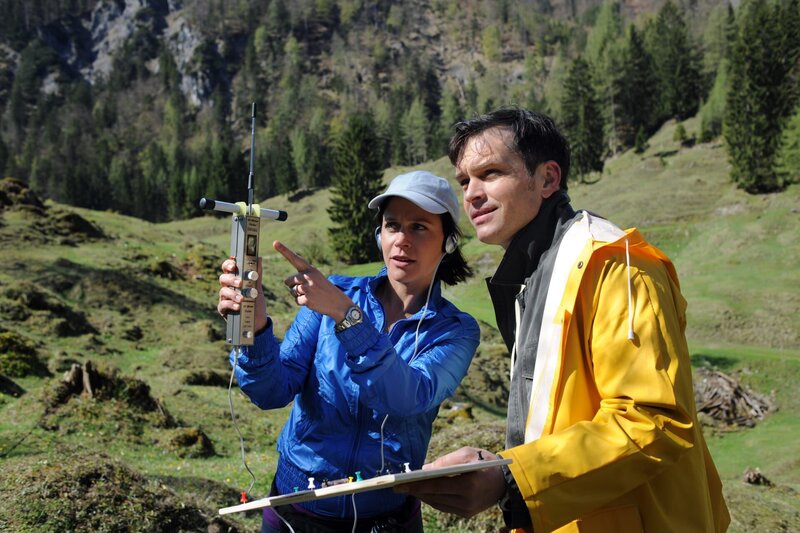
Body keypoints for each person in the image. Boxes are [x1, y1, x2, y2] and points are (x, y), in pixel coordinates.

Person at [397, 109, 730, 532]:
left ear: (548, 179)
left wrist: (512, 478)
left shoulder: (617, 267)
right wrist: (505, 470)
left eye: (491, 173)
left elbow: (652, 421)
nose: (472, 194)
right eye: (465, 181)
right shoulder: (532, 275)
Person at [217, 170, 480, 532]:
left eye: (419, 227)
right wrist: (256, 327)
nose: (402, 240)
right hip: (295, 511)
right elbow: (271, 391)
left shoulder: (455, 330)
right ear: (379, 235)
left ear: (447, 243)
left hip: (387, 520)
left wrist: (348, 316)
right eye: (392, 225)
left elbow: (407, 397)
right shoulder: (335, 294)